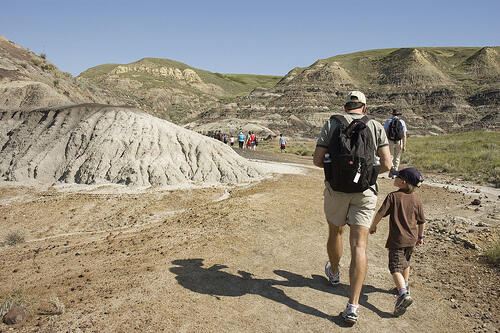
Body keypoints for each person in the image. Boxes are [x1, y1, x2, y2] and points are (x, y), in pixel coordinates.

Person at [313, 91, 391, 324]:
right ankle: (353, 306)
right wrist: (365, 176)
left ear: (346, 106)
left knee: (335, 231)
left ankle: (334, 273)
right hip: (365, 192)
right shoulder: (376, 126)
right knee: (359, 245)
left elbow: (317, 160)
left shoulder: (332, 123)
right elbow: (387, 163)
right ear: (364, 108)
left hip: (336, 190)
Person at [369, 167, 425, 317]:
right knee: (405, 262)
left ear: (403, 182)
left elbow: (380, 213)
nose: (394, 178)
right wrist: (421, 237)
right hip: (412, 239)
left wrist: (373, 226)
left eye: (397, 176)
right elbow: (422, 221)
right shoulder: (416, 200)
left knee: (394, 267)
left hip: (397, 240)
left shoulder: (393, 197)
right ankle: (405, 286)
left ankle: (402, 294)